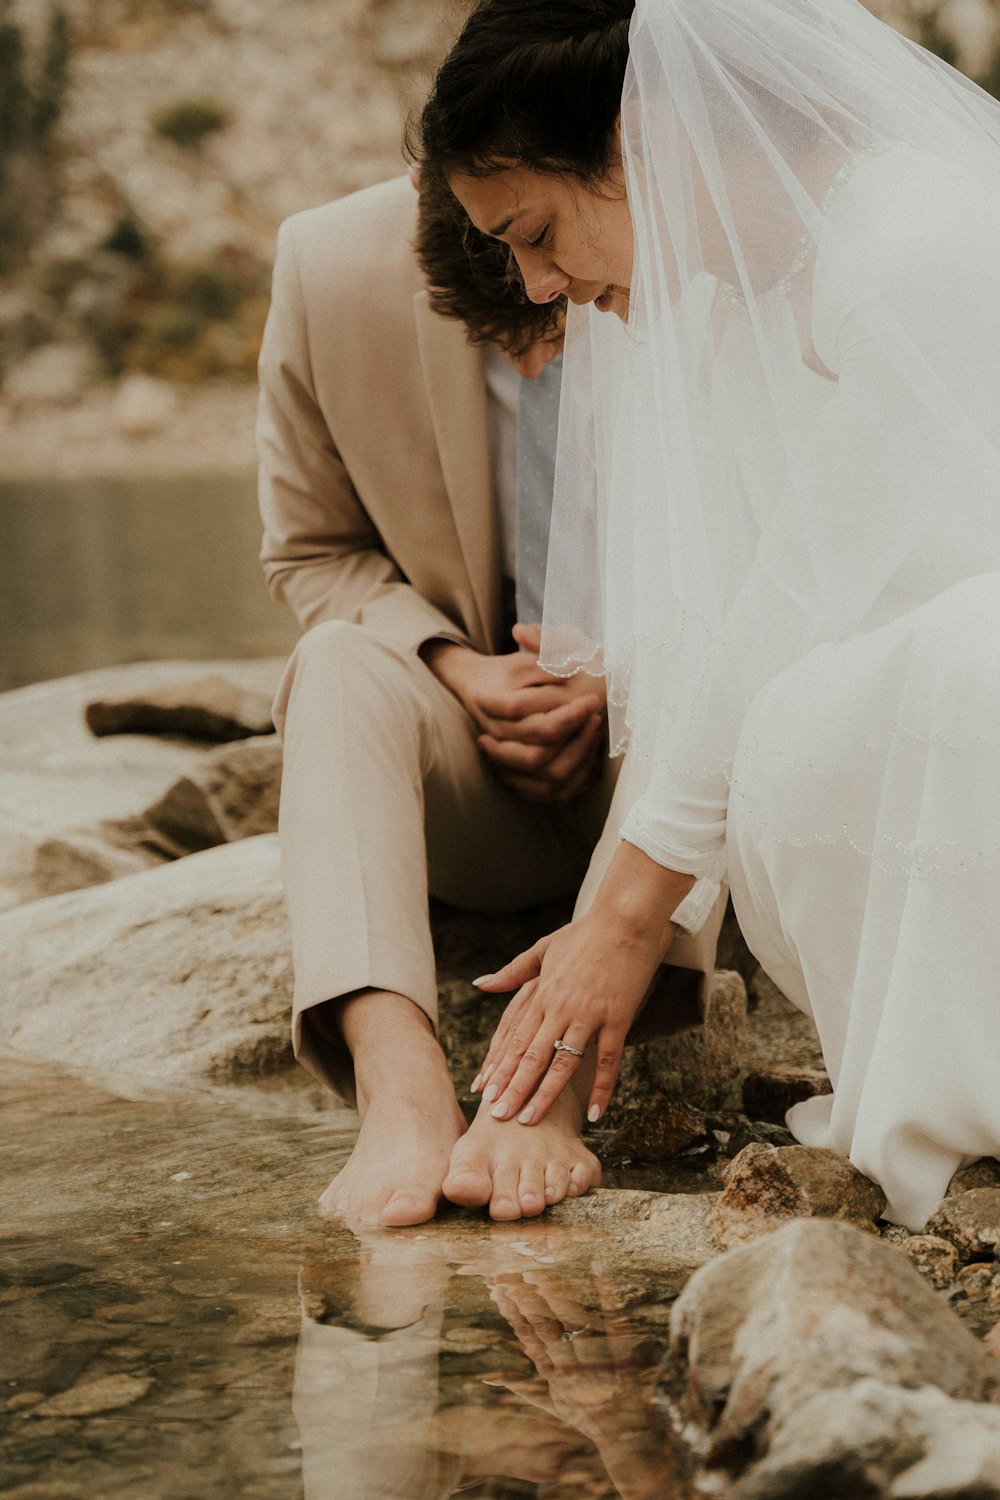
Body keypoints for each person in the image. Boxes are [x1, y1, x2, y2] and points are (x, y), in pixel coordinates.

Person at [418, 0, 1000, 1230]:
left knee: (958, 660)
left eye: (533, 231)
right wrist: (597, 940)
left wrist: (629, 915)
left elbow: (794, 596)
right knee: (801, 713)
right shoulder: (733, 293)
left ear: (644, 139)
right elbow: (720, 642)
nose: (535, 285)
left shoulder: (917, 242)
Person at [256, 168, 723, 1227]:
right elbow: (309, 553)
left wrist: (616, 678)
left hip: (676, 790)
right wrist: (458, 672)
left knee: (702, 677)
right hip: (474, 758)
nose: (542, 343)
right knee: (333, 660)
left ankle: (540, 1094)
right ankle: (398, 1079)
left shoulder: (700, 237)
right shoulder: (329, 265)